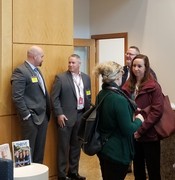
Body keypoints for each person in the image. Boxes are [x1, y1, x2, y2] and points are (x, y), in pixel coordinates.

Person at [93, 61, 144, 180]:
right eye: (121, 75)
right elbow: (128, 129)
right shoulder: (118, 99)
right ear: (116, 77)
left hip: (104, 148)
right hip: (117, 152)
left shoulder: (102, 94)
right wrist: (139, 120)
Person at [122, 54, 164, 180]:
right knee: (138, 170)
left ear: (146, 68)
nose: (136, 69)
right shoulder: (127, 86)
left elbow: (157, 111)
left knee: (153, 170)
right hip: (133, 134)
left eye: (139, 66)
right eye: (134, 66)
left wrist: (140, 130)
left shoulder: (154, 86)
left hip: (150, 134)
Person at [51, 54, 91, 180]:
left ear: (80, 64)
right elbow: (54, 98)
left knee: (76, 146)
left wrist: (88, 112)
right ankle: (62, 175)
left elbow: (88, 95)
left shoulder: (86, 78)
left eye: (73, 63)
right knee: (63, 147)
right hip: (65, 118)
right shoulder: (61, 78)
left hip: (81, 116)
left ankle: (73, 172)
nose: (70, 65)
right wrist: (59, 114)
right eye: (69, 62)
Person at [11, 45, 51, 164]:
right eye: (42, 56)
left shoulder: (37, 70)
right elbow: (17, 97)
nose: (43, 59)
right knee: (26, 156)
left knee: (39, 153)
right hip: (31, 119)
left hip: (43, 117)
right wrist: (26, 116)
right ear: (35, 57)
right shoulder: (20, 71)